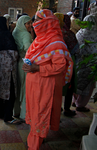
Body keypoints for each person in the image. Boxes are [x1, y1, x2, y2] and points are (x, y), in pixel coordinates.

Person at [22, 9, 73, 150]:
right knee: (35, 113)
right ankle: (38, 137)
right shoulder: (39, 40)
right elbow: (32, 59)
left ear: (47, 23)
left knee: (40, 114)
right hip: (34, 85)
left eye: (37, 20)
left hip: (45, 86)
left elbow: (60, 66)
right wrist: (28, 66)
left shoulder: (56, 42)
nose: (34, 23)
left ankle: (34, 145)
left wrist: (38, 69)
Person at [73, 15, 97, 112]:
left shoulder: (79, 33)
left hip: (79, 62)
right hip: (91, 64)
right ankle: (80, 104)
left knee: (77, 82)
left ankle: (74, 101)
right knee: (88, 84)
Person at [0, 17, 20, 124]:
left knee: (1, 91)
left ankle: (1, 113)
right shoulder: (7, 34)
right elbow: (13, 53)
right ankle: (8, 117)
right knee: (11, 92)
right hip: (8, 68)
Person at [55, 13, 78, 117]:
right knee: (69, 85)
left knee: (56, 88)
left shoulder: (53, 33)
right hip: (68, 63)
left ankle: (56, 108)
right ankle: (67, 109)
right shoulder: (69, 34)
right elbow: (76, 50)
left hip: (55, 64)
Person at [12, 15, 33, 121]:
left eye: (30, 23)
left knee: (18, 88)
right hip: (25, 63)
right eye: (28, 23)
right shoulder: (25, 34)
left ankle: (16, 111)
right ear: (22, 24)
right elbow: (28, 49)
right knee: (25, 89)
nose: (30, 25)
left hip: (17, 63)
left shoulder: (16, 31)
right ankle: (24, 114)